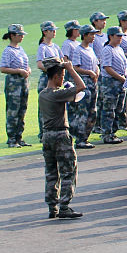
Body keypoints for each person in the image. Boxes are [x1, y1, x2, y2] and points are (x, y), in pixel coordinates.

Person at [38, 60, 85, 219]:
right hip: (60, 135)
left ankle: (53, 207)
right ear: (57, 76)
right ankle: (64, 206)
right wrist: (71, 69)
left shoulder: (43, 94)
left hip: (47, 136)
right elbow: (81, 86)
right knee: (68, 171)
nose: (63, 79)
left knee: (51, 173)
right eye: (62, 76)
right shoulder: (57, 94)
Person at [0, 24, 32, 147]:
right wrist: (18, 71)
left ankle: (19, 137)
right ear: (12, 36)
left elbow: (25, 63)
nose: (22, 37)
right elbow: (3, 68)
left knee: (22, 110)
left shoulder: (20, 49)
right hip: (14, 84)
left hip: (23, 82)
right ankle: (12, 138)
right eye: (19, 35)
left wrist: (27, 69)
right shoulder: (8, 51)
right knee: (13, 111)